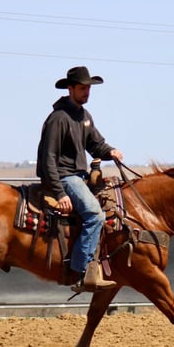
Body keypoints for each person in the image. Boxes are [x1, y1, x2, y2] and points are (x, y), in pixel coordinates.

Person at [36, 66, 123, 293]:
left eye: (88, 89)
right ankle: (82, 270)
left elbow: (95, 144)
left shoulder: (84, 116)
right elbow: (48, 159)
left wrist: (110, 151)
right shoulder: (58, 119)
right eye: (83, 88)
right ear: (71, 88)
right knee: (95, 214)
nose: (87, 93)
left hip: (79, 175)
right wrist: (60, 192)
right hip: (65, 177)